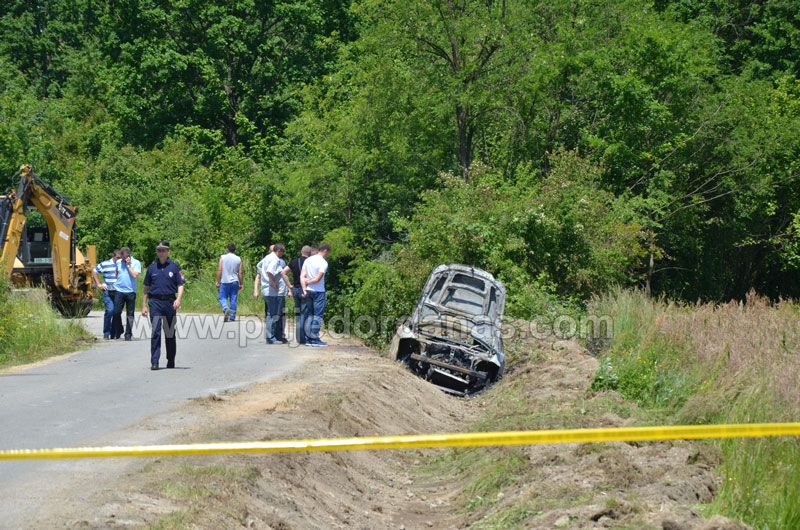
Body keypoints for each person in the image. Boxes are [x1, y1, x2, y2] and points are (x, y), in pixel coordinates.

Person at [142, 241, 185, 370]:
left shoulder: (175, 267)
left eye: (163, 250)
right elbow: (146, 287)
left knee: (169, 332)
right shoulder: (152, 268)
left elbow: (180, 284)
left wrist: (178, 299)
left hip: (169, 303)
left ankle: (171, 359)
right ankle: (154, 361)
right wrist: (144, 305)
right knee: (155, 332)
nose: (161, 253)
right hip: (155, 302)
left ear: (168, 252)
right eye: (159, 250)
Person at [254, 243, 292, 344]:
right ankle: (270, 337)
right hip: (273, 292)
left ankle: (276, 335)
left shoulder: (267, 258)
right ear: (279, 251)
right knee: (273, 314)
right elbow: (270, 272)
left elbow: (259, 266)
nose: (283, 254)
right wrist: (274, 283)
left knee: (274, 313)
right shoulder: (274, 259)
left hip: (268, 290)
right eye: (283, 251)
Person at [300, 242, 330, 347]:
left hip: (308, 291)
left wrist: (304, 288)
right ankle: (314, 339)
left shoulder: (308, 260)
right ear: (325, 250)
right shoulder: (323, 263)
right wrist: (309, 282)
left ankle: (308, 339)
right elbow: (317, 279)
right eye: (328, 253)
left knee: (309, 315)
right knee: (317, 315)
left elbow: (302, 276)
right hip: (319, 291)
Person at [113, 247, 142, 341]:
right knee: (116, 312)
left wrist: (128, 265)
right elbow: (116, 272)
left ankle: (128, 334)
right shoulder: (118, 262)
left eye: (125, 257)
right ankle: (120, 329)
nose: (123, 259)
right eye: (122, 257)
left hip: (130, 292)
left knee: (130, 314)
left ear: (128, 255)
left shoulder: (136, 263)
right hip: (119, 290)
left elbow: (135, 276)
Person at [92, 249, 121, 340]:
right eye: (117, 257)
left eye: (120, 258)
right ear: (113, 256)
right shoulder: (105, 264)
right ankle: (106, 333)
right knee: (110, 310)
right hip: (107, 290)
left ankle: (114, 333)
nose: (119, 259)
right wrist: (98, 284)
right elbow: (94, 271)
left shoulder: (122, 264)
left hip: (118, 291)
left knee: (116, 312)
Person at [286, 246, 311, 345]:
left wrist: (289, 285)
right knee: (304, 313)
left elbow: (283, 272)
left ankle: (299, 337)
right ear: (310, 253)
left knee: (298, 313)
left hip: (296, 289)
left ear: (301, 252)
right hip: (305, 289)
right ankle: (303, 338)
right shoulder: (310, 262)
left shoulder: (294, 262)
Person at [216, 243, 243, 321]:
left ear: (228, 249)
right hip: (235, 281)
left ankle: (225, 308)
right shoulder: (238, 259)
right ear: (235, 250)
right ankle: (232, 316)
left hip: (225, 281)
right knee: (233, 298)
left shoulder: (223, 257)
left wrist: (217, 280)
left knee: (222, 297)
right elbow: (240, 272)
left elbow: (219, 270)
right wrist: (241, 283)